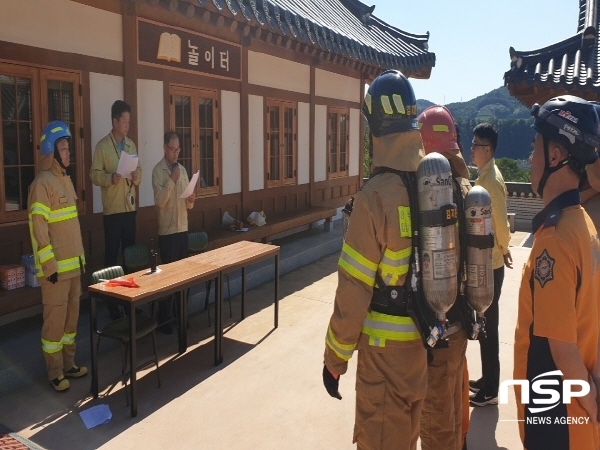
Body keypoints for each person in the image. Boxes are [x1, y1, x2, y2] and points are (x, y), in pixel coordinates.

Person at [322, 70, 427, 449]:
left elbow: (353, 290)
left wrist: (335, 360)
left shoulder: (376, 197)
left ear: (376, 129)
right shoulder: (431, 186)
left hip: (384, 358)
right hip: (421, 350)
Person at [514, 95, 600, 449]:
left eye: (536, 148)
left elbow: (561, 349)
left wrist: (591, 405)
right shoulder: (584, 225)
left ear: (555, 155)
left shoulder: (555, 240)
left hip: (557, 414)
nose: (531, 159)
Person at [417, 106, 470, 450]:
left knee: (436, 425)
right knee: (452, 412)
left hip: (436, 332)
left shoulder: (424, 194)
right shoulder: (467, 189)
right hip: (461, 324)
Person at [28, 121, 87, 392]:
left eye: (68, 149)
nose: (68, 154)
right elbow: (38, 229)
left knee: (71, 319)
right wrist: (48, 264)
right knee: (55, 321)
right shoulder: (42, 184)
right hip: (55, 272)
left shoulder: (65, 179)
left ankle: (68, 365)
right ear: (51, 151)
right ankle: (54, 372)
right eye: (63, 149)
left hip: (73, 267)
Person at [468, 122, 512, 407]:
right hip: (487, 260)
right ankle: (486, 380)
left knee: (488, 325)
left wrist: (505, 248)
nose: (471, 150)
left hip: (491, 263)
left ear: (487, 150)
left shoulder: (490, 182)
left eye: (474, 146)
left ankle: (491, 390)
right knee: (484, 323)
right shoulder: (485, 176)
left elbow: (500, 222)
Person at [90, 100, 142, 320]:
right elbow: (94, 175)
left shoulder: (130, 145)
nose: (127, 126)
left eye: (129, 122)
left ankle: (130, 301)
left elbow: (138, 170)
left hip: (129, 208)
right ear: (114, 121)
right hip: (112, 211)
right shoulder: (102, 146)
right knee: (112, 257)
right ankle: (112, 304)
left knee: (129, 255)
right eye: (124, 122)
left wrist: (137, 176)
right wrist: (109, 178)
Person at [152, 131, 195, 334]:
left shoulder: (183, 170)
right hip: (167, 232)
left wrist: (191, 200)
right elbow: (160, 201)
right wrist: (171, 180)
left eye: (178, 149)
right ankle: (165, 318)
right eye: (172, 149)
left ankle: (181, 314)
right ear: (164, 147)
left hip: (182, 229)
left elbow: (188, 204)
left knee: (184, 276)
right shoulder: (158, 171)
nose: (176, 153)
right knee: (168, 277)